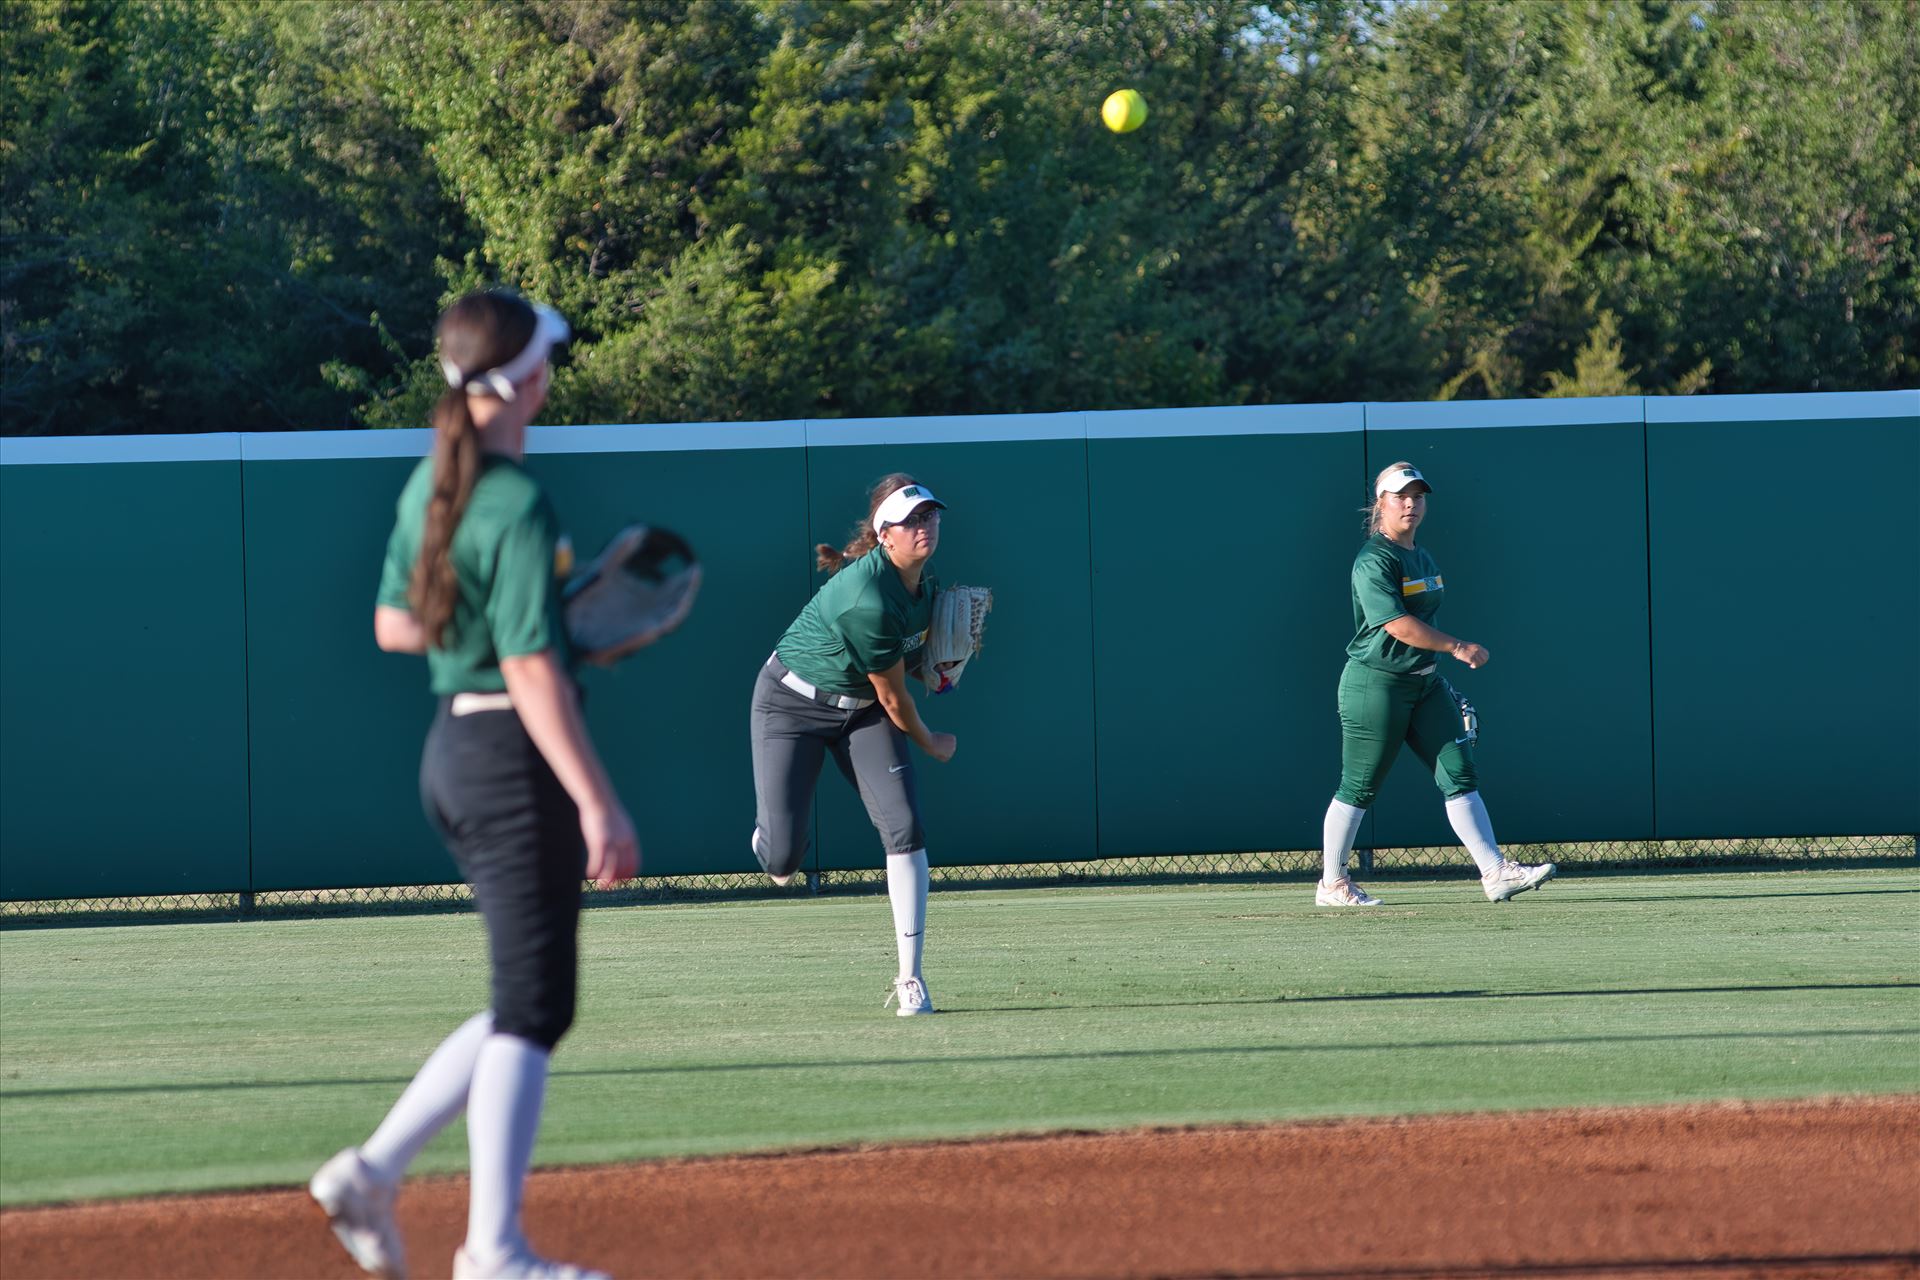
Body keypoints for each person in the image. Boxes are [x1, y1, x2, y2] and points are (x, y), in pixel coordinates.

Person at [309, 291, 635, 1280]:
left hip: (451, 757)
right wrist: (597, 799)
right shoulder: (517, 500)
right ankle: (492, 1251)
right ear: (525, 380)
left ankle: (371, 1171)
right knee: (535, 1008)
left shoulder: (432, 485)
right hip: (507, 762)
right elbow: (532, 674)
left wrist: (507, 633)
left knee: (522, 1000)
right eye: (548, 363)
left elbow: (397, 628)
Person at [749, 475, 958, 1016]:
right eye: (912, 520)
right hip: (791, 704)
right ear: (884, 534)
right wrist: (932, 743)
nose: (924, 526)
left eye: (930, 515)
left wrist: (938, 671)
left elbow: (904, 667)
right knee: (782, 861)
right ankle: (770, 836)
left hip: (860, 710)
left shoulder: (924, 586)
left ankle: (910, 979)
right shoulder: (866, 597)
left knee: (905, 828)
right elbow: (894, 703)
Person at [1315, 461, 1556, 908]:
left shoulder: (1420, 555)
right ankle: (1332, 884)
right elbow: (1398, 626)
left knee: (1460, 775)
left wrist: (1437, 661)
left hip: (1424, 684)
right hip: (1376, 685)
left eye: (1418, 496)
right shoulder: (1375, 559)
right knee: (1358, 786)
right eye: (1400, 496)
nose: (1411, 503)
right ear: (1381, 504)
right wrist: (1457, 646)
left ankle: (1495, 872)